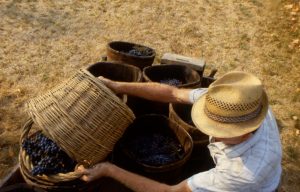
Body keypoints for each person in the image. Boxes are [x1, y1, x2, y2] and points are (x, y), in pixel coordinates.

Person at [76, 71, 282, 192]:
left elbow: (170, 191)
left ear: (247, 129)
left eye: (219, 129)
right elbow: (173, 93)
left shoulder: (241, 174)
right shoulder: (245, 105)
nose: (209, 130)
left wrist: (109, 170)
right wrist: (118, 85)